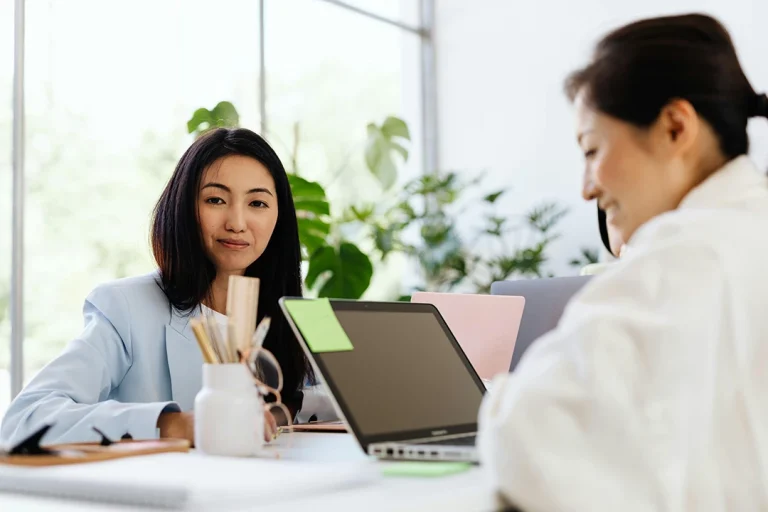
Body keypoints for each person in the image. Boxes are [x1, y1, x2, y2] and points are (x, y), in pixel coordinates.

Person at [478, 14, 768, 511]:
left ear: (676, 128)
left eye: (592, 149)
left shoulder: (688, 250)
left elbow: (527, 443)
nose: (587, 187)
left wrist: (498, 399)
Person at [0, 128, 313, 447]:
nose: (236, 222)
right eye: (215, 199)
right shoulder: (125, 308)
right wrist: (173, 424)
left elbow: (340, 400)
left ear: (280, 217)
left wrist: (281, 415)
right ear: (184, 208)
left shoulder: (303, 317)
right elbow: (25, 419)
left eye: (257, 203)